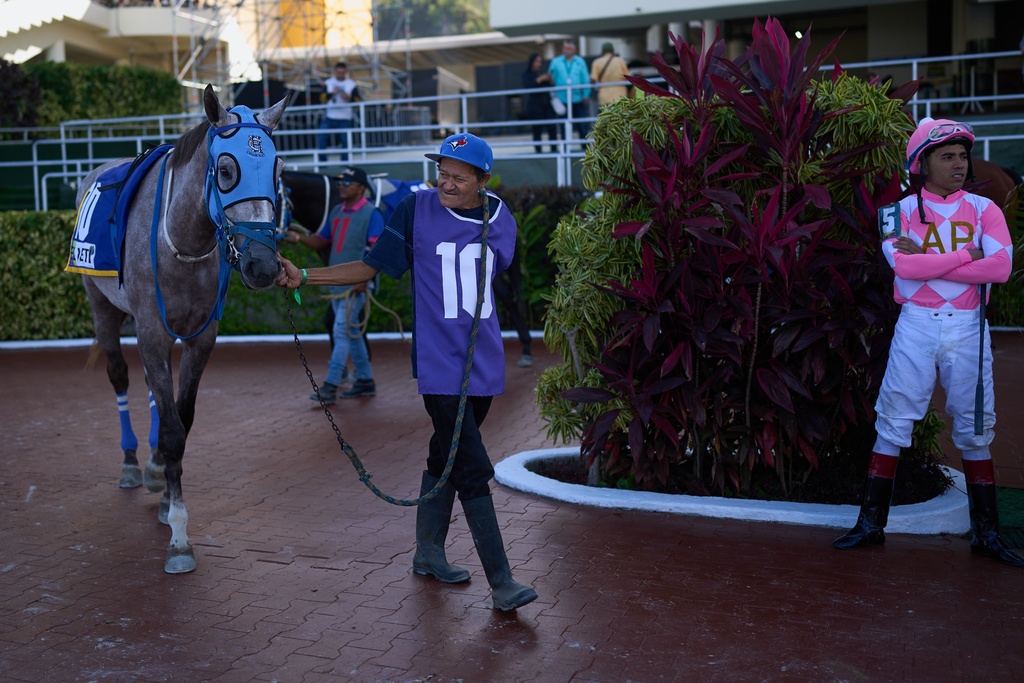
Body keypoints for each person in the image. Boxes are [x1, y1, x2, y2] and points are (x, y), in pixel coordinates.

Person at [276, 133, 539, 610]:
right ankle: (502, 583)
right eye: (442, 172)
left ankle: (428, 554)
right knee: (472, 465)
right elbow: (371, 267)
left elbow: (489, 276)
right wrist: (307, 275)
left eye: (460, 176)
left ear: (484, 179)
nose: (447, 182)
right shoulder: (414, 211)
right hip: (440, 363)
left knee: (447, 454)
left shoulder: (501, 219)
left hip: (483, 360)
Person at [833, 118, 1022, 567]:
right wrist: (967, 256)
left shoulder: (984, 208)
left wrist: (931, 262)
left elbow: (999, 269)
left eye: (962, 156)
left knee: (976, 428)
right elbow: (904, 269)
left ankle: (987, 534)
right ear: (922, 163)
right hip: (916, 325)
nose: (959, 165)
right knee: (893, 419)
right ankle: (870, 524)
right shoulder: (896, 213)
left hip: (967, 328)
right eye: (947, 156)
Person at [284, 166, 382, 403]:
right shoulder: (337, 210)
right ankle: (365, 381)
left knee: (341, 331)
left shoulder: (373, 213)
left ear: (361, 187)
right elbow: (321, 241)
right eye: (340, 183)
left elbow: (376, 250)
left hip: (356, 285)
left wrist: (365, 278)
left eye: (347, 183)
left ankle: (331, 385)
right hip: (337, 284)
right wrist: (298, 238)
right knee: (352, 333)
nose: (342, 186)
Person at [548, 40, 591, 141]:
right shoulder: (555, 61)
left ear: (574, 50)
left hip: (578, 99)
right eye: (564, 48)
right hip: (562, 99)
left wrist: (586, 94)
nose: (566, 51)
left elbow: (585, 80)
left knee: (582, 125)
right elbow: (550, 78)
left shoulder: (580, 62)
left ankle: (585, 149)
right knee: (563, 127)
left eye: (569, 49)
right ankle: (565, 150)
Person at [317, 62, 360, 163]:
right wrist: (332, 94)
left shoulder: (351, 84)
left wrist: (349, 98)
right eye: (339, 72)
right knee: (321, 138)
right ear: (335, 72)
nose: (340, 74)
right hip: (330, 116)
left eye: (342, 72)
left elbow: (358, 100)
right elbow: (322, 99)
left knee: (345, 142)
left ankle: (345, 163)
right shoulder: (328, 82)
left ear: (345, 72)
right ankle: (322, 162)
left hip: (345, 117)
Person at [522, 53, 559, 154]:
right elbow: (528, 87)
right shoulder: (527, 75)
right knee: (537, 131)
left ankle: (554, 150)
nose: (539, 64)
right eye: (537, 61)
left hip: (547, 105)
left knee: (552, 129)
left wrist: (550, 80)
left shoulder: (542, 73)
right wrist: (539, 80)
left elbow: (551, 87)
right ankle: (538, 152)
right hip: (535, 107)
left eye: (540, 61)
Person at [589, 42, 630, 108]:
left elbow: (593, 79)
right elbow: (628, 77)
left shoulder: (596, 62)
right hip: (620, 95)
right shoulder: (620, 61)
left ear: (602, 51)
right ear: (613, 51)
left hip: (604, 97)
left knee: (606, 116)